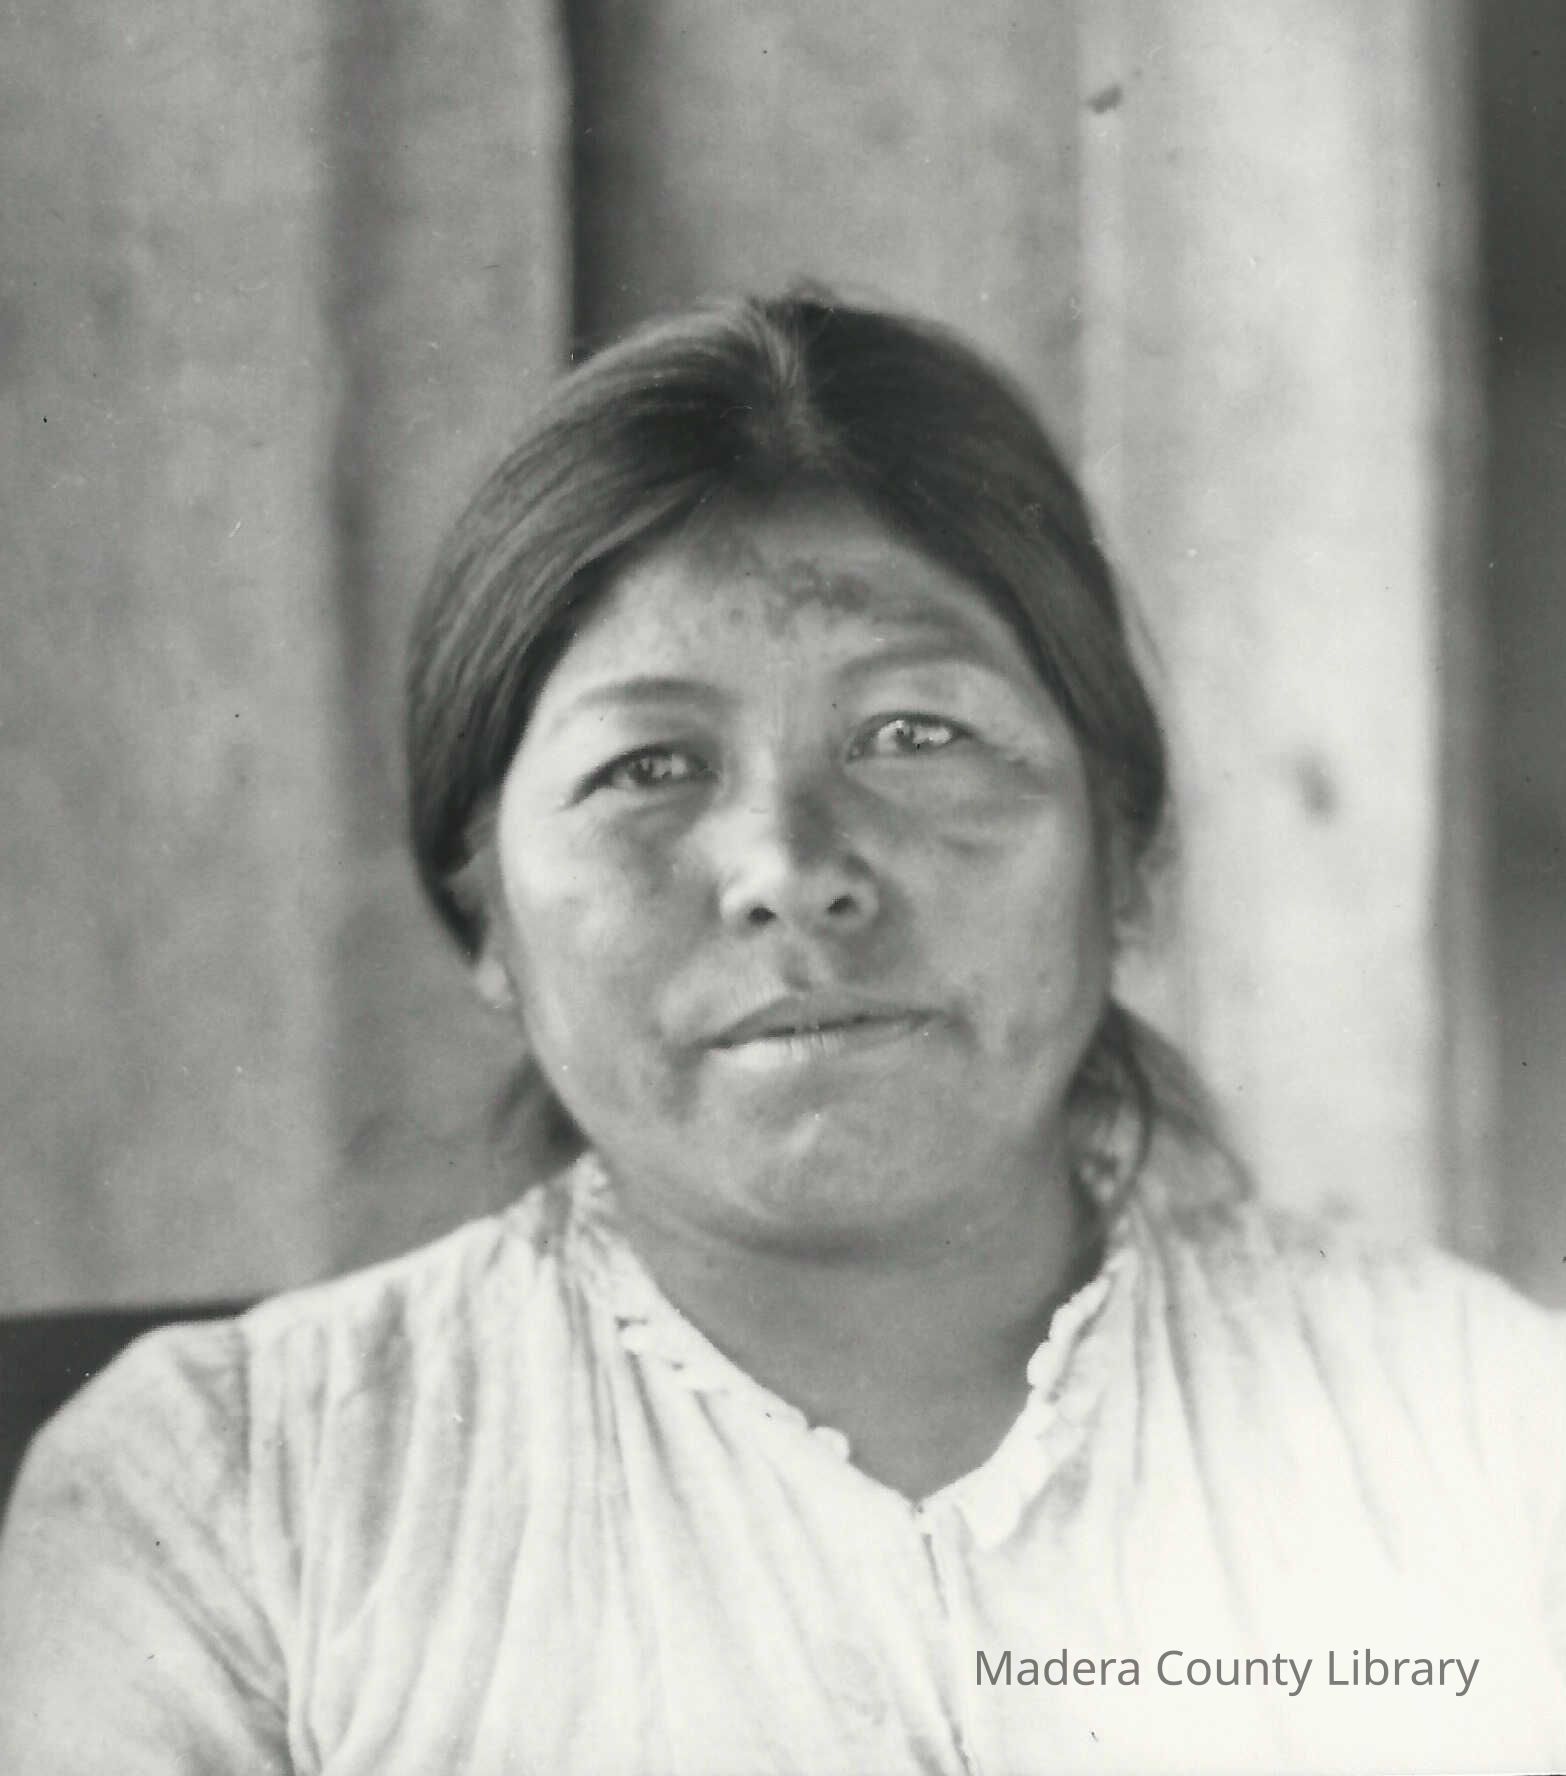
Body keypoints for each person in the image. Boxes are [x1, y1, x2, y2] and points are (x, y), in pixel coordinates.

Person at [1, 290, 1563, 1775]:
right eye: (647, 768)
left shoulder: (1475, 1425)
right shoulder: (227, 1492)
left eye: (915, 732)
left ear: (1127, 857)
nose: (790, 870)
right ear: (486, 917)